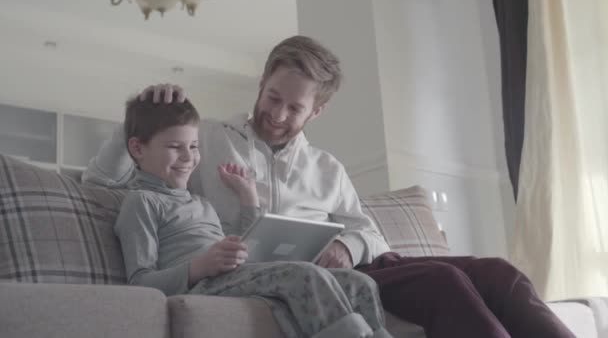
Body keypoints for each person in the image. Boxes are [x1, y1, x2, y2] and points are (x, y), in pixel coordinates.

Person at [84, 35, 574, 338]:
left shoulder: (327, 168)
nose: (276, 114)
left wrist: (346, 241)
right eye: (272, 97)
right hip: (275, 274)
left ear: (316, 112)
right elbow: (107, 182)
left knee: (500, 274)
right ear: (261, 83)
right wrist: (137, 114)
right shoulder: (205, 139)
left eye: (294, 108)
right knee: (446, 284)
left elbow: (373, 236)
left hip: (363, 264)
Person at [108, 92, 393, 338]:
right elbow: (140, 282)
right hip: (201, 285)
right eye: (174, 147)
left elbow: (240, 244)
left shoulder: (200, 202)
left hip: (230, 277)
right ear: (137, 148)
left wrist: (248, 198)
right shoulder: (141, 202)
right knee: (303, 274)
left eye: (193, 146)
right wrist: (199, 266)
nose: (188, 157)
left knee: (358, 282)